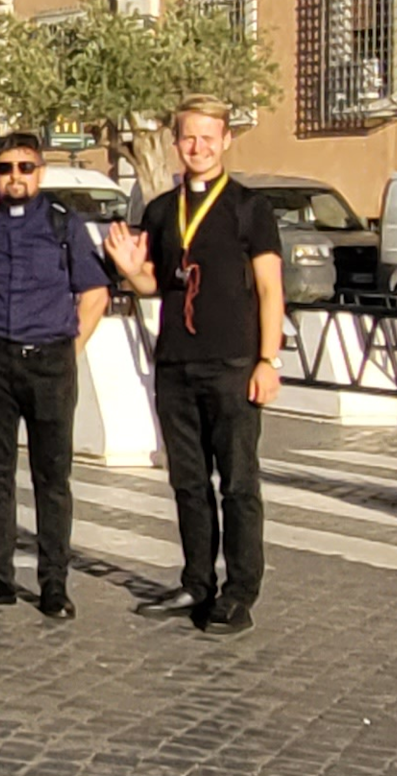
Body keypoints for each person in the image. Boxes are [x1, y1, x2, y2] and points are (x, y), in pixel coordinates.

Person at [106, 97, 287, 633]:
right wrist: (129, 270)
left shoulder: (250, 208)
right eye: (188, 137)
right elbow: (155, 286)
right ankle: (196, 581)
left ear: (226, 140)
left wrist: (267, 360)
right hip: (177, 364)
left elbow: (271, 290)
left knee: (237, 483)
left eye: (209, 137)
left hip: (233, 362)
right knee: (188, 481)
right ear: (176, 142)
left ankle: (240, 591)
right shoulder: (163, 210)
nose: (198, 147)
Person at [0, 133, 111, 621]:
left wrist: (66, 350)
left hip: (49, 361)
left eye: (25, 167)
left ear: (39, 172)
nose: (15, 177)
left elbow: (94, 293)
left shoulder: (64, 224)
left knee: (51, 475)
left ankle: (54, 582)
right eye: (5, 168)